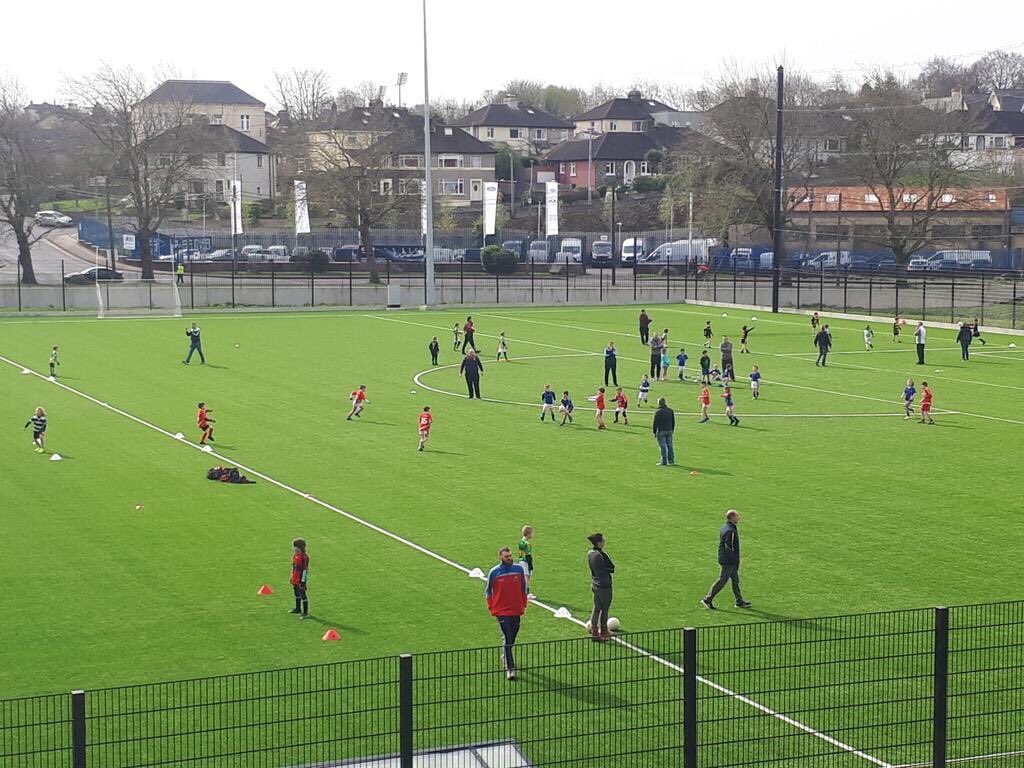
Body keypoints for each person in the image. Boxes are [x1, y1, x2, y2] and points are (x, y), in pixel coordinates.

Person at [485, 546, 529, 680]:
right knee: (508, 639)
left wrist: (523, 603)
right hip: (502, 611)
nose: (509, 558)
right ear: (500, 558)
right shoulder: (494, 572)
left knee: (512, 636)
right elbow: (488, 591)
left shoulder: (518, 569)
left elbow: (524, 588)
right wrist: (492, 608)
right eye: (506, 556)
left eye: (510, 556)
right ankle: (510, 668)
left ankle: (505, 654)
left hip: (516, 609)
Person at [700, 510, 751, 610]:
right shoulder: (730, 531)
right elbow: (729, 547)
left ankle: (739, 601)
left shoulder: (725, 527)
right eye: (737, 516)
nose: (739, 518)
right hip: (728, 561)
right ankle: (707, 599)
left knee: (735, 580)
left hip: (726, 558)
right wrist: (735, 560)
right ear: (732, 517)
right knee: (722, 579)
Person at [587, 533, 615, 642]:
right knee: (605, 609)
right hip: (604, 585)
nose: (604, 542)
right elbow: (611, 568)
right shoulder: (601, 555)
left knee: (596, 608)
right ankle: (604, 630)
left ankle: (594, 631)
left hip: (595, 583)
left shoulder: (590, 553)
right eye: (603, 540)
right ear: (599, 543)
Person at [289, 538, 309, 619]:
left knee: (303, 595)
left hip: (300, 579)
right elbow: (293, 567)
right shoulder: (295, 555)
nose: (294, 548)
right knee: (296, 593)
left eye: (296, 547)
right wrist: (291, 576)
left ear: (300, 547)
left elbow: (305, 570)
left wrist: (303, 581)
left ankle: (305, 613)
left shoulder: (304, 557)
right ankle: (298, 609)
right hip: (295, 578)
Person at [652, 396, 675, 466]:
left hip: (661, 431)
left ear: (659, 403)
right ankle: (671, 460)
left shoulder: (658, 412)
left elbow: (655, 423)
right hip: (669, 430)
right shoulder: (670, 411)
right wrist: (672, 429)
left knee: (663, 446)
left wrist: (654, 432)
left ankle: (664, 461)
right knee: (670, 445)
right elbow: (673, 421)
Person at [519, 526, 535, 598]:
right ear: (528, 534)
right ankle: (526, 593)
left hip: (521, 561)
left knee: (525, 577)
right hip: (525, 562)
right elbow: (527, 555)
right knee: (527, 577)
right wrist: (530, 565)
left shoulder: (521, 541)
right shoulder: (527, 544)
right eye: (531, 533)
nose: (532, 534)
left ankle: (524, 592)